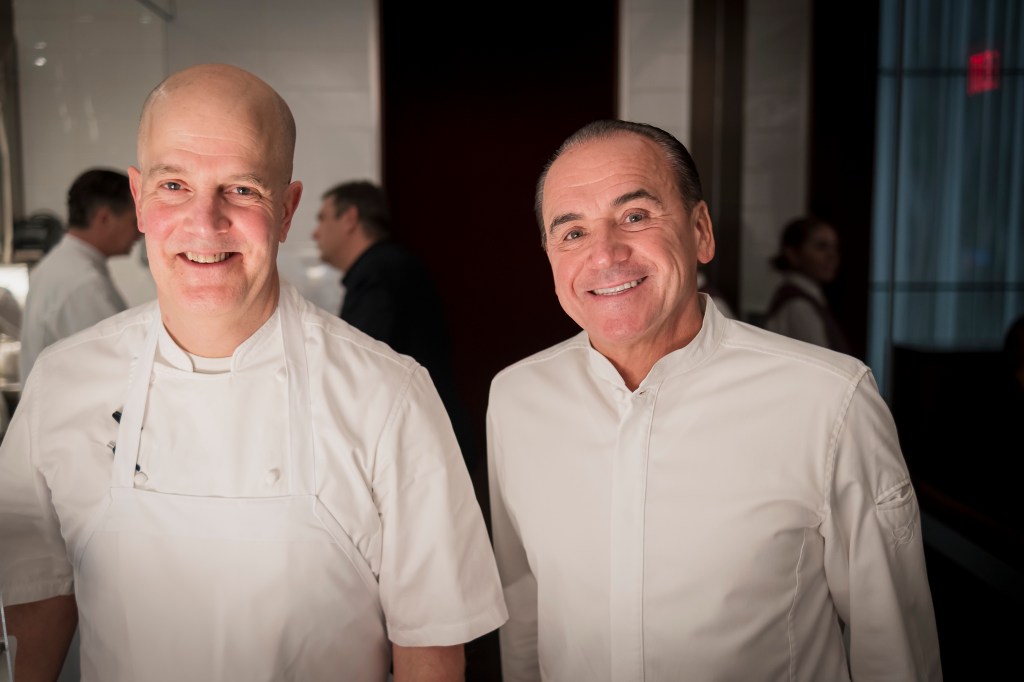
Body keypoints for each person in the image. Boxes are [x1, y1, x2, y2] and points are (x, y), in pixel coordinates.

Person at [0, 63, 507, 681]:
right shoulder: (62, 383)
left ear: (288, 209)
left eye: (242, 189)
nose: (205, 223)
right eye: (174, 186)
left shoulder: (389, 395)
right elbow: (38, 596)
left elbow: (430, 650)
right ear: (137, 199)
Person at [486, 119, 941, 680]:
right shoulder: (516, 398)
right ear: (551, 255)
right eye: (573, 232)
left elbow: (893, 650)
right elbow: (525, 606)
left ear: (700, 230)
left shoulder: (830, 399)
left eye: (635, 216)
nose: (605, 254)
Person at [313, 180, 477, 470]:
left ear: (350, 217)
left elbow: (360, 365)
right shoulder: (387, 266)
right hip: (428, 443)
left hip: (423, 451)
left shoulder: (380, 272)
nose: (315, 233)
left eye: (323, 218)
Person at [17, 168, 139, 382]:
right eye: (134, 221)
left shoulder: (56, 265)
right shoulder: (84, 284)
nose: (140, 232)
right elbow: (120, 366)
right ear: (104, 218)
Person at [763, 214, 851, 353]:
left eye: (834, 248)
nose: (832, 255)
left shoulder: (809, 298)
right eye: (821, 247)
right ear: (793, 254)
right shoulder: (798, 305)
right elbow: (821, 362)